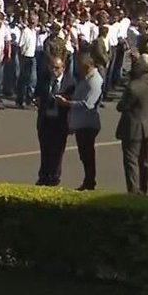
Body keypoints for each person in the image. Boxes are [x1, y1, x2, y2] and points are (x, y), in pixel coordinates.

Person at [114, 42, 148, 195]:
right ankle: (146, 189)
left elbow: (122, 106)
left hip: (133, 127)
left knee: (131, 160)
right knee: (146, 160)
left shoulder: (134, 87)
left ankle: (133, 191)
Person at [62, 52, 103, 191]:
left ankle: (90, 181)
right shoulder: (85, 78)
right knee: (84, 154)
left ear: (87, 66)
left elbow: (88, 104)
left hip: (88, 124)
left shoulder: (95, 81)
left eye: (80, 66)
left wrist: (68, 103)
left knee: (87, 154)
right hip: (80, 122)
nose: (78, 69)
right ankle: (88, 180)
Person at [35, 56, 70, 187]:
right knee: (45, 150)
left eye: (57, 68)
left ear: (63, 68)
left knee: (57, 152)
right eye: (52, 67)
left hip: (60, 122)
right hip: (45, 121)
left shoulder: (70, 83)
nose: (54, 70)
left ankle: (54, 177)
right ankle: (43, 176)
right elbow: (38, 94)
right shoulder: (44, 80)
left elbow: (73, 102)